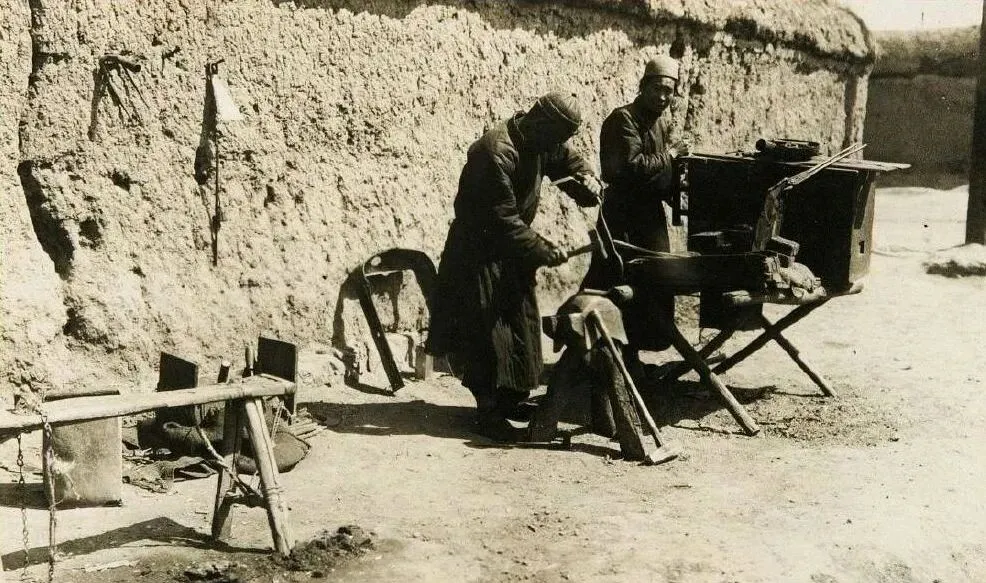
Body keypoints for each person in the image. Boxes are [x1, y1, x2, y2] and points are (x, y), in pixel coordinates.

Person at [426, 92, 603, 441]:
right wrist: (543, 249)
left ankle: (508, 402)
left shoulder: (541, 139)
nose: (558, 145)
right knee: (486, 334)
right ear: (541, 122)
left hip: (510, 251)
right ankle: (487, 412)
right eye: (557, 137)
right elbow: (502, 220)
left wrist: (587, 180)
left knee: (520, 329)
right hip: (478, 253)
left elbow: (567, 162)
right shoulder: (494, 153)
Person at [583, 55, 690, 363]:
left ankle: (631, 357)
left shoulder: (660, 122)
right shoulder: (623, 120)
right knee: (617, 281)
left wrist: (677, 187)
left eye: (669, 91)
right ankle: (595, 350)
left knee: (652, 284)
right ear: (643, 86)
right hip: (623, 217)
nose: (663, 97)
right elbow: (630, 168)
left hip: (649, 218)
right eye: (657, 89)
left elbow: (660, 173)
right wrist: (671, 155)